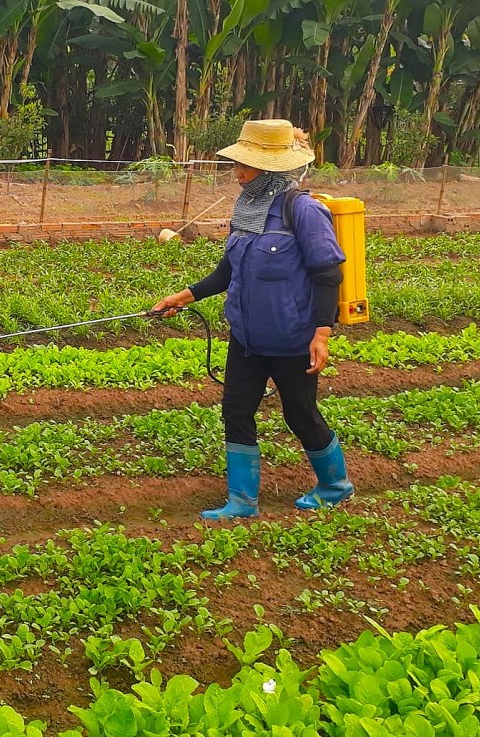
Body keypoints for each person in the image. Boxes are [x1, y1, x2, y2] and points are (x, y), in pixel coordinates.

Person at [152, 118, 356, 520]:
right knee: (236, 409)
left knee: (300, 413)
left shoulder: (304, 211)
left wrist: (321, 334)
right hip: (246, 338)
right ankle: (242, 501)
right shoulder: (246, 208)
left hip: (293, 339)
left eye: (247, 164)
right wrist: (184, 296)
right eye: (239, 162)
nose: (238, 171)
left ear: (273, 168)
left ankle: (335, 485)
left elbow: (328, 273)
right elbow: (228, 271)